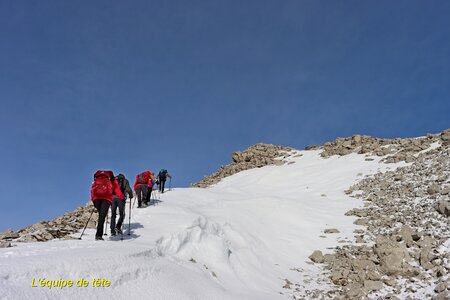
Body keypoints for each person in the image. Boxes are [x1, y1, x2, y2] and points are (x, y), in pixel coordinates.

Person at [91, 170, 124, 240]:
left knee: (101, 216)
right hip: (106, 199)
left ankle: (99, 234)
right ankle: (98, 235)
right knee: (102, 217)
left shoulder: (97, 179)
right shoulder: (111, 179)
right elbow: (116, 189)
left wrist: (93, 199)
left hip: (96, 198)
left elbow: (92, 190)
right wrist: (122, 197)